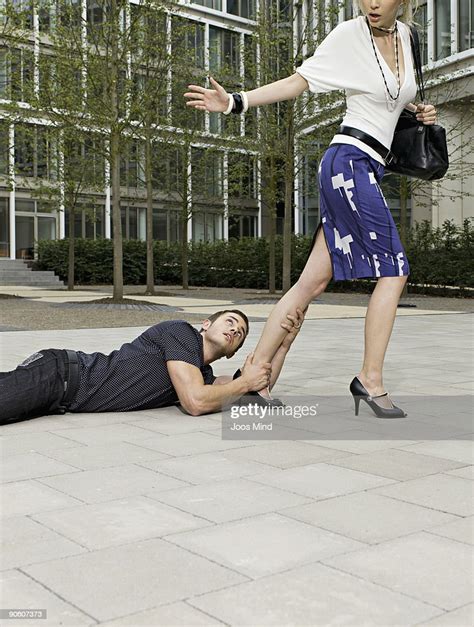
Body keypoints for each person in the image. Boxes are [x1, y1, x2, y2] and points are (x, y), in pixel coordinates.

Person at [184, 0, 437, 418]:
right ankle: (369, 381)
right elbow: (297, 82)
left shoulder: (408, 38)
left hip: (369, 166)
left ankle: (255, 378)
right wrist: (234, 103)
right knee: (394, 270)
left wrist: (417, 109)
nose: (371, 3)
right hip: (347, 163)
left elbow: (392, 97)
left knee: (310, 284)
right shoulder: (348, 35)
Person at [0, 308, 305, 424]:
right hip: (61, 373)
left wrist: (285, 344)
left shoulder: (203, 375)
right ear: (206, 324)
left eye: (239, 334)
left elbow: (255, 391)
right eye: (230, 322)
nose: (234, 330)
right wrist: (244, 383)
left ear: (232, 352)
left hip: (62, 397)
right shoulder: (180, 332)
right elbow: (196, 402)